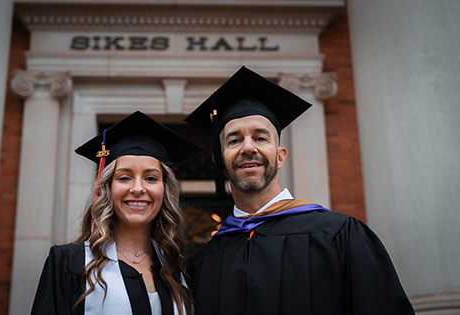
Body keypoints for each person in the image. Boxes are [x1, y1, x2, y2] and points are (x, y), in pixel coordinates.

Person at [184, 66, 415, 314]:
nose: (248, 148)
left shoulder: (339, 236)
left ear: (280, 157)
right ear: (219, 162)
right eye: (234, 140)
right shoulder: (203, 263)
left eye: (261, 138)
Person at [31, 111, 200, 315]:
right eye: (124, 177)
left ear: (165, 190)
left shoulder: (180, 270)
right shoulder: (70, 263)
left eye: (151, 178)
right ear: (108, 188)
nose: (138, 188)